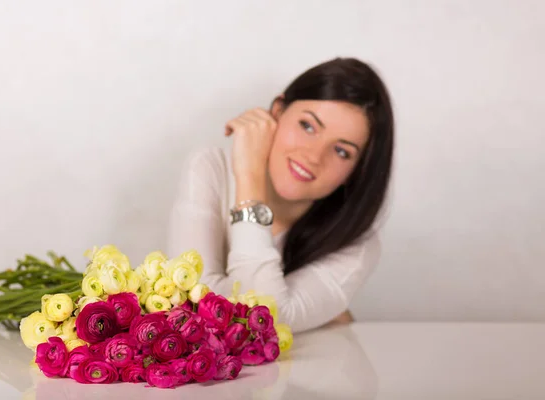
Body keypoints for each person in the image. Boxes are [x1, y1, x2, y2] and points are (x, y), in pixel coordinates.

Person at [166, 57, 394, 333]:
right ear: (277, 112)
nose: (313, 155)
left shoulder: (357, 246)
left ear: (357, 171)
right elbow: (188, 302)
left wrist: (250, 181)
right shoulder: (210, 168)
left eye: (341, 151)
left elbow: (258, 321)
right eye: (308, 126)